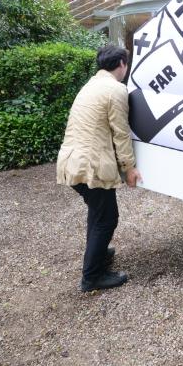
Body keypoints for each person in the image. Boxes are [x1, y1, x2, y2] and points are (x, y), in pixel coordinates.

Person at [57, 45, 143, 292]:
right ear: (122, 64)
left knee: (97, 212)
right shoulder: (116, 89)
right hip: (90, 165)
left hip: (71, 161)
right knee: (107, 218)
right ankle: (92, 277)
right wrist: (130, 167)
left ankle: (98, 255)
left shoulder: (91, 85)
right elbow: (121, 132)